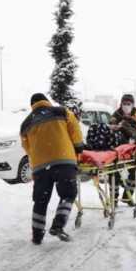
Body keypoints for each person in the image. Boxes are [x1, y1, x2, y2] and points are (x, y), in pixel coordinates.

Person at [20, 93, 84, 245]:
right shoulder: (61, 112)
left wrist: (40, 157)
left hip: (41, 166)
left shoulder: (26, 123)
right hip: (64, 161)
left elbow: (27, 147)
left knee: (40, 201)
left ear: (32, 106)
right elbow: (75, 130)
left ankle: (37, 236)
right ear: (47, 102)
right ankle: (58, 225)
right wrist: (78, 147)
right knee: (68, 194)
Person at [110, 94, 136, 206]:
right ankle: (113, 200)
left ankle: (127, 197)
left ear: (132, 104)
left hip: (132, 149)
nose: (126, 106)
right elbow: (111, 125)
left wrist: (130, 124)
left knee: (135, 173)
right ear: (121, 104)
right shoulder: (116, 114)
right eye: (124, 104)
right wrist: (116, 126)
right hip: (118, 148)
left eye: (128, 104)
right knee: (114, 174)